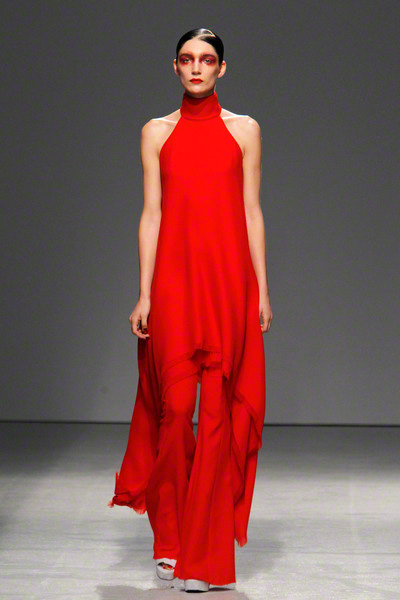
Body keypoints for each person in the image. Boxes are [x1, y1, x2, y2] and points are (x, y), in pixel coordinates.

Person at [108, 27, 273, 593]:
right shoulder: (157, 132)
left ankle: (205, 557)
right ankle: (171, 543)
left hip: (228, 283)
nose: (196, 67)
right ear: (175, 67)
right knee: (176, 411)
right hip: (175, 285)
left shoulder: (245, 130)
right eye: (187, 59)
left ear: (222, 68)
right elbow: (151, 213)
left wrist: (262, 289)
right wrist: (145, 292)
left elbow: (251, 211)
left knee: (219, 417)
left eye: (207, 59)